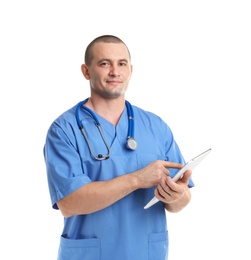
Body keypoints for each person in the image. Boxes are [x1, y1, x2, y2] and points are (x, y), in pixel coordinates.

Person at [43, 35, 194, 260]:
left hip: (147, 253)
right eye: (105, 64)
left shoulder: (155, 126)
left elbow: (180, 200)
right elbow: (69, 202)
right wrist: (137, 179)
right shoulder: (64, 129)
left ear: (130, 70)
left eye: (121, 63)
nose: (115, 72)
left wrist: (177, 195)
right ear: (86, 71)